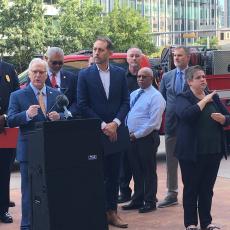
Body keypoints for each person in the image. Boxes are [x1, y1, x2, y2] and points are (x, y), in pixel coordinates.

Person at [77, 36, 129, 228]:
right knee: (97, 175)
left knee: (114, 175)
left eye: (100, 50)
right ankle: (98, 214)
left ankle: (112, 213)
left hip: (116, 133)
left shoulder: (119, 73)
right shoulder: (85, 75)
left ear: (110, 53)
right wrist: (103, 126)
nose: (96, 53)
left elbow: (125, 102)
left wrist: (115, 123)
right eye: (94, 49)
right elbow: (82, 105)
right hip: (95, 133)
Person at [7, 58, 64, 230]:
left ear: (47, 75)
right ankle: (27, 225)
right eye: (35, 72)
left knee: (53, 189)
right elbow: (10, 120)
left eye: (41, 72)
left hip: (52, 150)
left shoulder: (56, 94)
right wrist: (27, 115)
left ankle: (50, 223)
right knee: (29, 191)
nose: (38, 75)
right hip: (29, 151)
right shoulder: (17, 95)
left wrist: (60, 117)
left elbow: (69, 113)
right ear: (29, 74)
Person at [175, 65, 230, 230]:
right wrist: (204, 100)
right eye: (199, 78)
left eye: (204, 77)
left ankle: (207, 223)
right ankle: (191, 223)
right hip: (192, 153)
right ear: (190, 81)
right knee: (192, 189)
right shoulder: (182, 97)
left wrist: (224, 120)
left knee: (207, 189)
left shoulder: (213, 96)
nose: (203, 80)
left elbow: (227, 116)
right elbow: (186, 116)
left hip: (213, 151)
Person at [122, 67, 165, 213]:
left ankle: (150, 201)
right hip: (131, 138)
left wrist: (137, 134)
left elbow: (153, 122)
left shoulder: (156, 96)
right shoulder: (134, 94)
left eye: (144, 77)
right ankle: (138, 199)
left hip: (146, 138)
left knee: (148, 171)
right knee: (136, 171)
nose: (140, 79)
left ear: (151, 78)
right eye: (139, 76)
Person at [158, 46, 190, 208]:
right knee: (171, 160)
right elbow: (161, 100)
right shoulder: (167, 76)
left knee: (191, 160)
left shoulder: (195, 74)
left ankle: (192, 192)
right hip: (172, 125)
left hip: (191, 125)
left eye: (180, 55)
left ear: (188, 57)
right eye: (174, 55)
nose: (176, 58)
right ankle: (172, 193)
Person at [118, 47, 143, 204]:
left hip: (141, 127)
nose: (134, 58)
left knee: (140, 164)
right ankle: (125, 192)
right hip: (123, 124)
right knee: (123, 162)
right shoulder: (120, 76)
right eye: (131, 56)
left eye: (137, 56)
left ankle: (142, 194)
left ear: (141, 59)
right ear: (127, 59)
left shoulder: (147, 75)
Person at [0, 60, 19, 224]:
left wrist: (5, 117)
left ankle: (3, 209)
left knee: (5, 170)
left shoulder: (9, 69)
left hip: (5, 130)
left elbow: (16, 97)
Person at [44, 47, 79, 117]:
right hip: (45, 122)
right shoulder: (38, 77)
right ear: (46, 58)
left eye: (60, 63)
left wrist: (65, 115)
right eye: (54, 63)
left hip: (66, 122)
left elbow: (77, 101)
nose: (57, 65)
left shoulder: (71, 77)